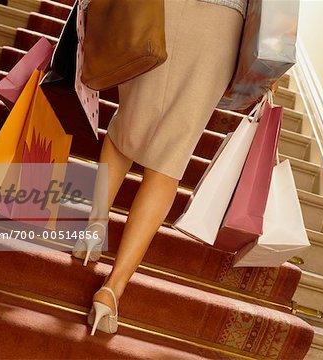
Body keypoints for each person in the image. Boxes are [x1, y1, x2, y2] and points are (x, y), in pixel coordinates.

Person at [72, 0, 249, 336]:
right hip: (219, 25)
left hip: (159, 11)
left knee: (127, 126)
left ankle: (95, 227)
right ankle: (112, 290)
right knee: (171, 157)